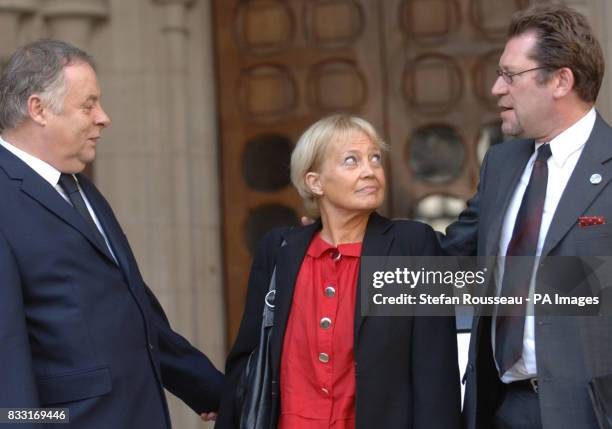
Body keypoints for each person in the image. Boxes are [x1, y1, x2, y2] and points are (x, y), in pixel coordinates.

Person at [0, 39, 223, 428]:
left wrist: (218, 392)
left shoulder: (81, 189)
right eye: (88, 105)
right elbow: (6, 352)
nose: (103, 117)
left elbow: (132, 310)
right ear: (38, 110)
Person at [215, 114, 461, 429]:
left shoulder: (409, 246)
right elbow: (247, 358)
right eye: (351, 161)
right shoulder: (280, 250)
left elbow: (435, 371)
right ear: (313, 182)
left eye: (375, 159)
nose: (370, 171)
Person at [441, 4, 612, 429]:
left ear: (560, 80)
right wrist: (355, 240)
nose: (497, 88)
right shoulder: (501, 164)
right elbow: (452, 258)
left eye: (510, 75)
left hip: (591, 412)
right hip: (503, 407)